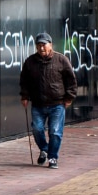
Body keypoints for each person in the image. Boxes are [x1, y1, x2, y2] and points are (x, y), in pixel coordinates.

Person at [20, 32, 77, 169]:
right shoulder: (30, 61)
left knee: (55, 131)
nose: (41, 48)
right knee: (37, 129)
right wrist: (25, 96)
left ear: (50, 45)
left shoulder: (61, 60)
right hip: (38, 104)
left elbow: (71, 80)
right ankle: (45, 149)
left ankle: (52, 158)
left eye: (44, 45)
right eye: (39, 45)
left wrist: (69, 97)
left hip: (57, 104)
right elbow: (24, 81)